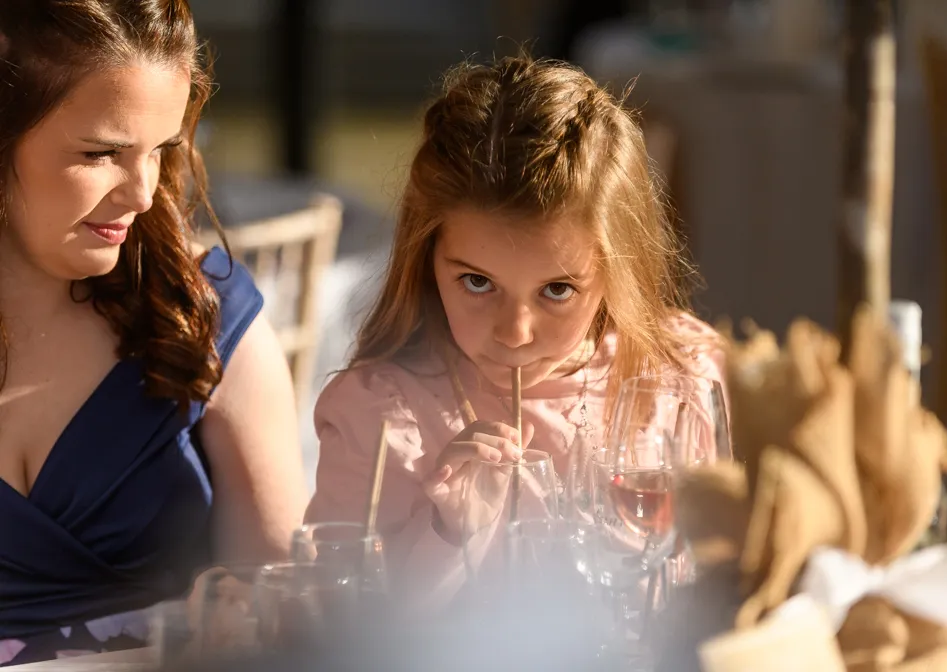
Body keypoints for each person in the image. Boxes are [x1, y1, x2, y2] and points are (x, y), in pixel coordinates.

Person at [306, 53, 726, 610]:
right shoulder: (382, 418)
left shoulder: (682, 379)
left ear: (615, 272)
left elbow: (723, 578)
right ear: (426, 257)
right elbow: (344, 626)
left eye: (557, 290)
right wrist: (449, 532)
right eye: (478, 282)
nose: (515, 333)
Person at [0, 0, 307, 665]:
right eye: (102, 153)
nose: (143, 193)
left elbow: (284, 604)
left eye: (162, 150)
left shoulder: (206, 315)